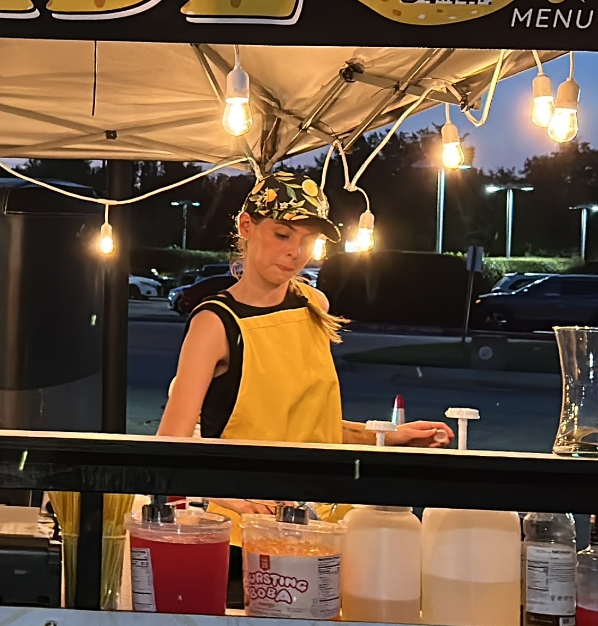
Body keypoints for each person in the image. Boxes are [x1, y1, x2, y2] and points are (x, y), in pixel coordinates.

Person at [158, 171, 452, 529]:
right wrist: (228, 495)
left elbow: (310, 426)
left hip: (325, 526)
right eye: (282, 235)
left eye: (308, 240)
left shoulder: (315, 305)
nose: (295, 253)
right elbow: (170, 449)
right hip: (247, 533)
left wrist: (388, 438)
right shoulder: (215, 323)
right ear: (247, 226)